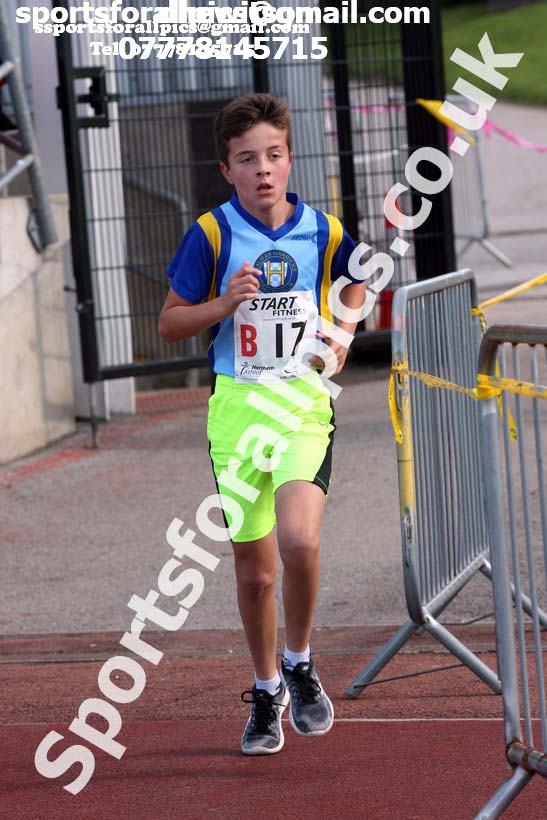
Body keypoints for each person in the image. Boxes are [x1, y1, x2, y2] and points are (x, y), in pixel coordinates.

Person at [159, 93, 365, 756]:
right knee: (255, 574)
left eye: (273, 155)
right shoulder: (212, 234)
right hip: (238, 414)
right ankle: (266, 686)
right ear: (228, 169)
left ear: (289, 158)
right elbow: (168, 323)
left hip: (302, 405)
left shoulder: (321, 230)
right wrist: (223, 302)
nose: (263, 169)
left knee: (299, 540)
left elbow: (358, 278)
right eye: (248, 159)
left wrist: (342, 330)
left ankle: (301, 663)